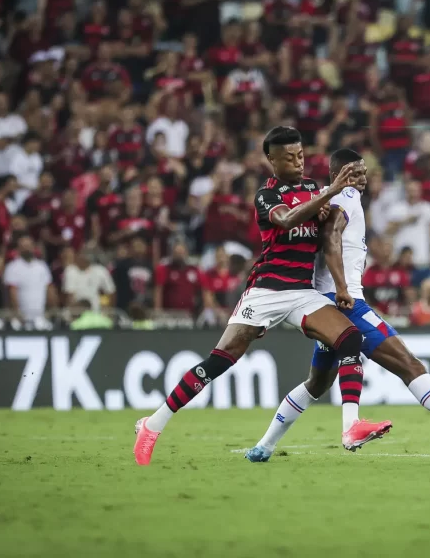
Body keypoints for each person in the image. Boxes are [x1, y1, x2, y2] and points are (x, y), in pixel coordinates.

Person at [244, 149, 430, 463]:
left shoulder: (321, 197)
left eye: (366, 171)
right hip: (344, 302)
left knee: (317, 383)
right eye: (359, 171)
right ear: (345, 173)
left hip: (319, 302)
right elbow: (332, 239)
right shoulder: (347, 195)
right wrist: (341, 288)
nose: (366, 177)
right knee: (411, 366)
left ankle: (263, 447)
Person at [133, 127, 388, 465]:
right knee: (219, 361)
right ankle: (153, 424)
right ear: (272, 160)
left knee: (350, 337)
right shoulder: (266, 196)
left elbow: (326, 226)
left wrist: (335, 216)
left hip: (301, 291)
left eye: (300, 155)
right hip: (266, 290)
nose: (298, 162)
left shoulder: (314, 188)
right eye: (289, 157)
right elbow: (288, 219)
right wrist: (333, 192)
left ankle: (350, 425)